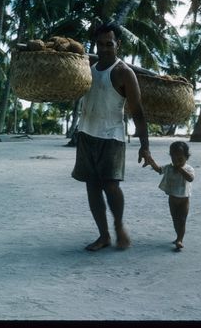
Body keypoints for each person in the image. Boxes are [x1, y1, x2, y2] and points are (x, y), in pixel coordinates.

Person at [72, 21, 152, 251]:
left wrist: (144, 147)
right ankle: (104, 235)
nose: (104, 48)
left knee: (111, 186)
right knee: (92, 186)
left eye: (109, 44)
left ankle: (118, 225)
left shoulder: (124, 73)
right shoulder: (87, 66)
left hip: (112, 137)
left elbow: (138, 112)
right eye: (100, 44)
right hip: (86, 133)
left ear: (118, 44)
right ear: (95, 45)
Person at [148, 141, 195, 250]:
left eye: (180, 159)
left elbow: (191, 178)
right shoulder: (169, 168)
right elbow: (159, 170)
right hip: (172, 199)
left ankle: (180, 239)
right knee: (175, 219)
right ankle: (177, 235)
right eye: (174, 158)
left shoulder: (189, 169)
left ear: (186, 157)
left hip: (184, 200)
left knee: (182, 219)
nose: (176, 162)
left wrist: (181, 169)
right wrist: (151, 161)